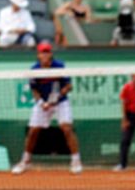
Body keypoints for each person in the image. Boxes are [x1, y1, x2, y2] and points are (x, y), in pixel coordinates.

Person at [11, 41, 83, 175]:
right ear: (38, 55)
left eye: (47, 52)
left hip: (61, 102)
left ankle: (76, 161)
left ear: (51, 54)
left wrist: (58, 96)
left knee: (66, 128)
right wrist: (41, 103)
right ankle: (25, 161)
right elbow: (34, 90)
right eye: (42, 52)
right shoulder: (34, 70)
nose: (45, 55)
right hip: (43, 103)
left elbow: (69, 86)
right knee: (33, 131)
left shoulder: (60, 66)